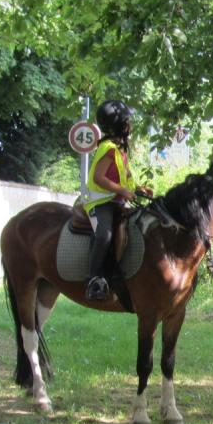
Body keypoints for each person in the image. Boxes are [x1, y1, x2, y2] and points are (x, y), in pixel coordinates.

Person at [82, 99, 152, 301]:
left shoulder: (120, 150)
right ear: (118, 125)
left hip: (116, 203)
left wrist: (137, 189)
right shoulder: (108, 148)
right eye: (127, 122)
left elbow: (123, 179)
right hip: (100, 203)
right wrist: (122, 190)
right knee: (104, 235)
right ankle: (93, 279)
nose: (130, 126)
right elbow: (98, 178)